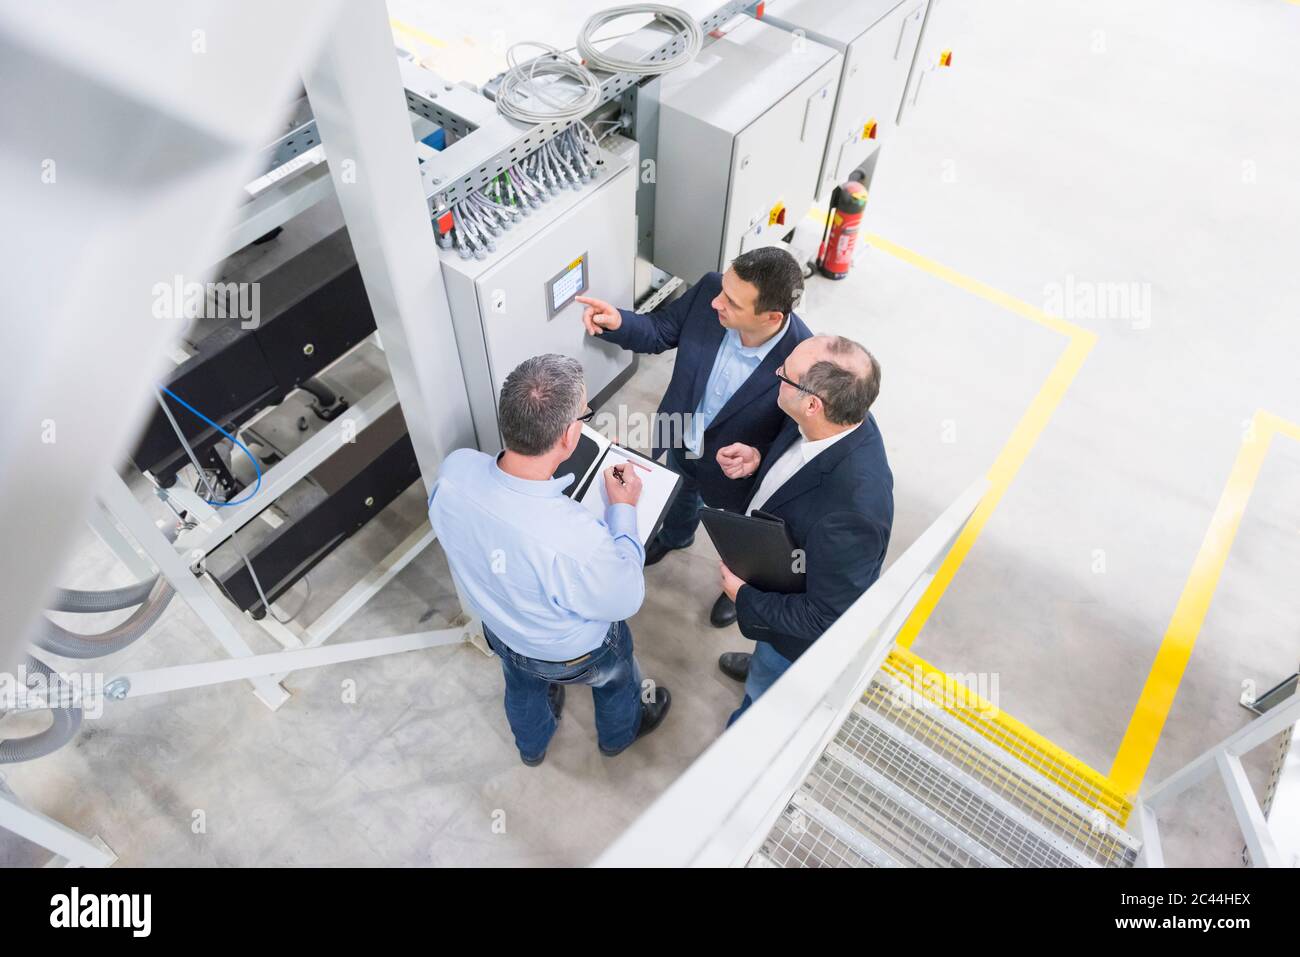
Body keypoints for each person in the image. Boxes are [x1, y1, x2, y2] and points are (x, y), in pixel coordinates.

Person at [428, 354, 671, 766]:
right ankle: (618, 736)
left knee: (521, 686)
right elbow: (626, 596)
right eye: (583, 415)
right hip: (575, 653)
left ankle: (532, 747)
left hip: (502, 631)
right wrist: (623, 509)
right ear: (568, 437)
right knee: (616, 680)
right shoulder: (578, 542)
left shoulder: (454, 472)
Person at [576, 246, 813, 628]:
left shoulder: (803, 359)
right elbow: (660, 331)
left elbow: (799, 437)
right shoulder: (709, 291)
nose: (716, 301)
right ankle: (676, 536)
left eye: (732, 302)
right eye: (723, 288)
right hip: (682, 436)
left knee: (739, 534)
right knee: (681, 492)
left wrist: (759, 457)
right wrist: (618, 321)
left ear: (771, 316)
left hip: (739, 477)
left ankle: (740, 588)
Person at [712, 335, 893, 725]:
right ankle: (764, 659)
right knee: (766, 655)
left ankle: (745, 727)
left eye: (784, 375)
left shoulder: (856, 510)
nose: (776, 374)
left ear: (813, 404)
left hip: (794, 639)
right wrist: (761, 461)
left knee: (763, 693)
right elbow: (802, 467)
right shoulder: (836, 414)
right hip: (782, 582)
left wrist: (742, 596)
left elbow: (824, 616)